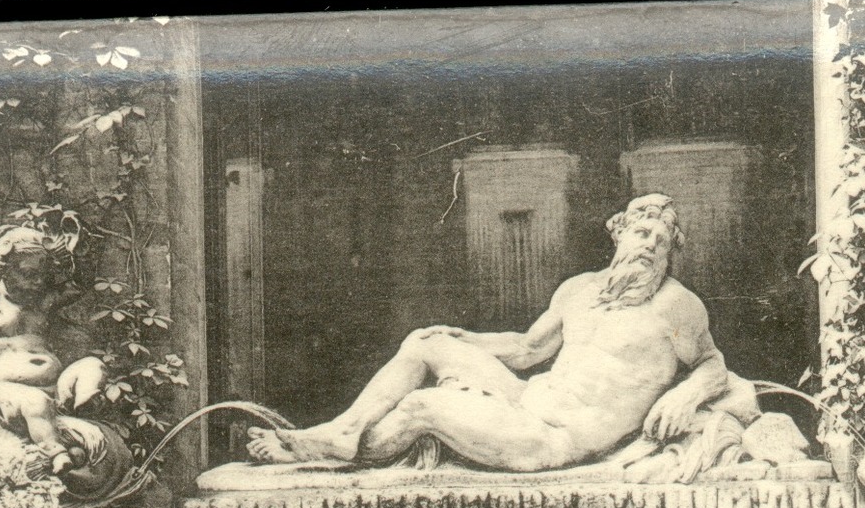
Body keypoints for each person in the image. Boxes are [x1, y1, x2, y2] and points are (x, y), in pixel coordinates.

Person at [246, 193, 730, 472]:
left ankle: (321, 450)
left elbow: (713, 364)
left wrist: (685, 396)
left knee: (422, 406)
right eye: (642, 235)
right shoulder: (579, 289)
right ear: (619, 234)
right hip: (524, 397)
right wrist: (464, 338)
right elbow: (527, 348)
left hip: (553, 438)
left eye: (661, 244)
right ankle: (344, 432)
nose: (650, 248)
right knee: (425, 342)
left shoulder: (676, 305)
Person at [0, 225, 110, 477]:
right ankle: (56, 452)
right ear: (4, 267)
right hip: (11, 394)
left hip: (54, 389)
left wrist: (72, 253)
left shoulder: (43, 302)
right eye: (29, 274)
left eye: (42, 275)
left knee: (93, 365)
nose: (38, 282)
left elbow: (79, 285)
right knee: (35, 403)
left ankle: (82, 407)